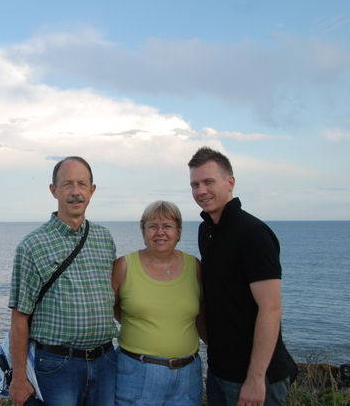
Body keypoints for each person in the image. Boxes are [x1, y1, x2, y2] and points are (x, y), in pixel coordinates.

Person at [7, 156, 118, 406]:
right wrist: (19, 378)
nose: (76, 192)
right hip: (58, 367)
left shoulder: (104, 238)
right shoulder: (32, 245)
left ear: (92, 190)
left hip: (106, 362)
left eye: (82, 184)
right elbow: (19, 316)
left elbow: (113, 298)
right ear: (53, 190)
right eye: (67, 184)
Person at [188, 147, 290, 406]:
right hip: (219, 370)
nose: (201, 191)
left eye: (209, 182)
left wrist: (256, 378)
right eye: (195, 184)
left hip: (255, 377)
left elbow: (271, 308)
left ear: (230, 182)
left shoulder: (253, 233)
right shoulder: (206, 231)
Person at [113, 200, 206, 406]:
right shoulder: (124, 266)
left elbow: (200, 316)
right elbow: (111, 307)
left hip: (188, 376)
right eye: (153, 226)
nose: (160, 232)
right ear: (143, 230)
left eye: (167, 226)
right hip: (137, 374)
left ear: (179, 231)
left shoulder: (194, 266)